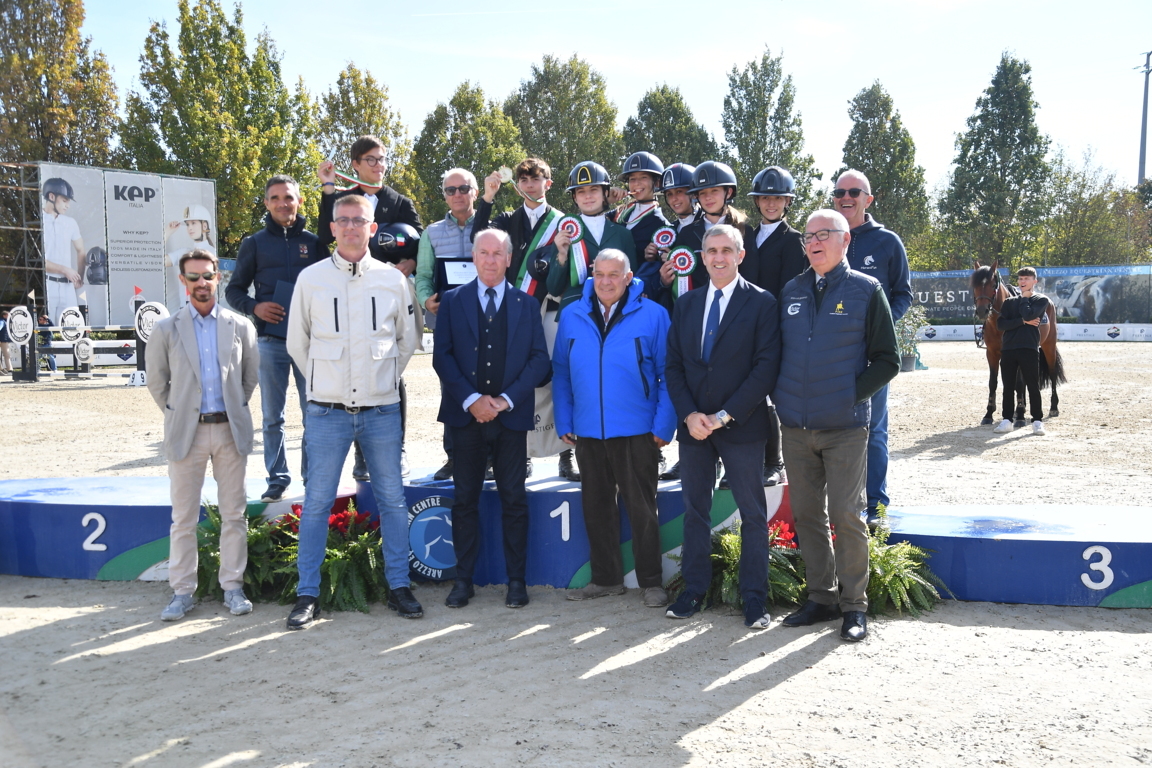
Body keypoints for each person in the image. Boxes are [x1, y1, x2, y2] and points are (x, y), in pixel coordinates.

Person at [285, 194, 419, 630]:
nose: (349, 227)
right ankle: (308, 593)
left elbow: (406, 341)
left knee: (394, 501)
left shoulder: (393, 281)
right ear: (333, 227)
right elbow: (297, 344)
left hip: (381, 412)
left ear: (373, 226)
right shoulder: (311, 279)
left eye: (358, 220)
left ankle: (399, 586)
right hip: (327, 414)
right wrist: (324, 385)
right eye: (342, 220)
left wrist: (382, 382)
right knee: (318, 502)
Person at [775, 210, 899, 643]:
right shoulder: (791, 290)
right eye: (808, 235)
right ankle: (821, 597)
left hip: (846, 427)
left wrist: (849, 394)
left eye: (824, 234)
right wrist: (782, 398)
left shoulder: (867, 290)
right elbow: (775, 355)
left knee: (847, 515)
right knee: (807, 516)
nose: (814, 241)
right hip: (795, 428)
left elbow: (888, 359)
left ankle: (854, 606)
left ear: (845, 241)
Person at [663, 224, 780, 629]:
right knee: (695, 511)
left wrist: (724, 415)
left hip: (742, 426)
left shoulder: (763, 303)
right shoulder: (687, 304)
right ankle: (694, 590)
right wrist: (690, 414)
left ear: (740, 255)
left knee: (752, 514)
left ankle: (754, 598)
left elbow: (765, 369)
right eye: (711, 250)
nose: (718, 257)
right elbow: (673, 366)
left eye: (726, 250)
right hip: (695, 428)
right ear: (702, 255)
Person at [433, 229, 550, 610]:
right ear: (473, 256)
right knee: (464, 499)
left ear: (509, 258)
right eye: (483, 253)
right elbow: (442, 357)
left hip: (510, 420)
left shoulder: (526, 304)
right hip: (464, 419)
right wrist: (471, 401)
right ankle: (462, 580)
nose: (490, 260)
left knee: (514, 499)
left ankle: (517, 582)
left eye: (497, 253)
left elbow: (539, 362)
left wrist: (503, 400)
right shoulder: (452, 301)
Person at [553, 248, 676, 607]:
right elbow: (560, 372)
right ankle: (605, 579)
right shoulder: (572, 315)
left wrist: (663, 424)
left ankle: (651, 581)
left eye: (614, 275)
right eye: (600, 274)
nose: (606, 282)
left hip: (638, 429)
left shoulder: (654, 315)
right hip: (588, 430)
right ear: (592, 274)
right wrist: (565, 418)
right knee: (596, 507)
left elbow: (669, 374)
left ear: (628, 277)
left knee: (642, 509)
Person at [145, 248, 260, 621]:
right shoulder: (165, 329)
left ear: (218, 277)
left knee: (234, 514)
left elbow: (249, 378)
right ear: (183, 281)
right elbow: (157, 383)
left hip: (228, 430)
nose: (201, 283)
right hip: (187, 435)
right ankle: (181, 592)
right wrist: (181, 414)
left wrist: (231, 409)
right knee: (183, 518)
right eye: (193, 277)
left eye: (207, 275)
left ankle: (233, 587)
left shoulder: (240, 325)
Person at [317, 136, 424, 480]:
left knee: (392, 370)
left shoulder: (400, 202)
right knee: (355, 372)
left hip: (390, 296)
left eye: (383, 159)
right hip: (350, 295)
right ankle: (362, 458)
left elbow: (422, 244)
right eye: (372, 160)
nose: (380, 165)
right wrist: (326, 191)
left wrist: (407, 264)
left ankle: (397, 450)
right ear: (356, 165)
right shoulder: (342, 202)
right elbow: (323, 238)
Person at [225, 175, 327, 503]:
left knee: (314, 412)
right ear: (267, 203)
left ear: (299, 201)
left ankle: (313, 479)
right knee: (273, 416)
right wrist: (256, 307)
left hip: (311, 343)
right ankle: (277, 478)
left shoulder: (314, 243)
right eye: (276, 198)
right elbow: (233, 290)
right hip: (270, 343)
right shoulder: (253, 243)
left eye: (289, 197)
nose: (283, 203)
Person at [536, 160, 638, 481]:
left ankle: (615, 450)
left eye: (594, 189)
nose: (588, 196)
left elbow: (631, 281)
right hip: (577, 317)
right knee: (574, 384)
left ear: (606, 193)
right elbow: (553, 286)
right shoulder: (564, 230)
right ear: (574, 198)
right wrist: (562, 254)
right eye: (581, 192)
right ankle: (568, 455)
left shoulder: (621, 233)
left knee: (613, 382)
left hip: (614, 319)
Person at [659, 161, 747, 486]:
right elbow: (685, 281)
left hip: (738, 320)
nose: (708, 197)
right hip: (699, 321)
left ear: (728, 193)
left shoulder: (744, 229)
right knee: (696, 386)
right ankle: (690, 457)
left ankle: (742, 460)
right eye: (703, 192)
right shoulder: (686, 233)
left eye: (715, 191)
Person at [834, 169, 912, 527]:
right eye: (839, 192)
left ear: (868, 199)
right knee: (830, 428)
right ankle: (838, 504)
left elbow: (903, 295)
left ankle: (877, 505)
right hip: (830, 354)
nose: (845, 197)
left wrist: (879, 333)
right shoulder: (826, 237)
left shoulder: (887, 242)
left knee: (874, 428)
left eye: (854, 191)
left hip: (871, 355)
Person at [739, 165, 807, 488]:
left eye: (777, 199)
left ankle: (775, 461)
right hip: (744, 327)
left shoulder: (793, 241)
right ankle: (742, 461)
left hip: (774, 328)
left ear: (787, 202)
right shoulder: (746, 236)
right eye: (765, 198)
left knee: (770, 399)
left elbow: (789, 290)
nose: (770, 204)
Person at [415, 168, 479, 481]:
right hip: (448, 324)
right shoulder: (431, 232)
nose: (457, 195)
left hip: (486, 323)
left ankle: (489, 459)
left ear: (475, 192)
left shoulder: (491, 226)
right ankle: (453, 458)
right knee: (451, 390)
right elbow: (424, 277)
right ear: (444, 195)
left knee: (488, 388)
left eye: (463, 188)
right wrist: (427, 300)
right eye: (450, 190)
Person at [994, 267, 1050, 436]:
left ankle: (1037, 421)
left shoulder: (1041, 300)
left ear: (1035, 281)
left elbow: (1028, 314)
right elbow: (1001, 325)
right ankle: (1006, 420)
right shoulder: (1009, 302)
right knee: (1008, 387)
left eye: (1026, 278)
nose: (1022, 282)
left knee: (1033, 386)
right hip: (1009, 349)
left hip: (1029, 348)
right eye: (1020, 279)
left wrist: (1025, 300)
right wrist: (1023, 321)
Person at [607, 152, 670, 301]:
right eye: (632, 179)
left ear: (656, 182)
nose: (637, 184)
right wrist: (605, 199)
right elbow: (589, 224)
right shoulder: (621, 212)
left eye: (643, 178)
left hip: (635, 293)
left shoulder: (662, 225)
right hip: (608, 286)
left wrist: (652, 258)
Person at [41, 178, 84, 319]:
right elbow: (37, 261)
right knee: (46, 333)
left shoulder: (70, 223)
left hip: (67, 287)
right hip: (46, 285)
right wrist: (65, 270)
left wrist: (80, 276)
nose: (68, 206)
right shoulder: (37, 221)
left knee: (73, 330)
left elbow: (81, 250)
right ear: (51, 196)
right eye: (64, 200)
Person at [166, 205, 217, 308]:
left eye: (193, 223)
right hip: (185, 310)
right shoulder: (183, 253)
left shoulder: (213, 253)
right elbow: (154, 260)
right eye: (188, 224)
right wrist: (167, 233)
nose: (190, 228)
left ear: (205, 226)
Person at [0, 310, 12, 374]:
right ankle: (9, 369)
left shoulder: (4, 321)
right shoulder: (2, 321)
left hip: (3, 339)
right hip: (3, 340)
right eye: (8, 315)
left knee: (6, 355)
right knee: (7, 355)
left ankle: (2, 369)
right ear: (4, 315)